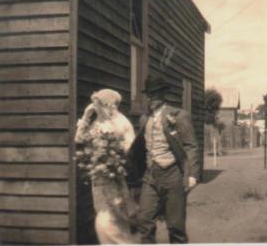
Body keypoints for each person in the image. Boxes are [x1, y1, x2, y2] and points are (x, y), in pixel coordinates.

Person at [128, 75, 200, 243]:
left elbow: (191, 145)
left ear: (163, 94)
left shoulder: (178, 115)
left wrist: (193, 175)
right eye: (149, 94)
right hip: (150, 176)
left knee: (176, 226)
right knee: (144, 221)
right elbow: (139, 147)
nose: (152, 98)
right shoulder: (144, 118)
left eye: (156, 93)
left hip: (172, 175)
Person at [75, 89, 139, 244]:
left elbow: (130, 151)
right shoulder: (97, 123)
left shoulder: (122, 123)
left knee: (110, 220)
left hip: (114, 177)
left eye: (98, 104)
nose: (95, 107)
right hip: (98, 178)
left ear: (109, 105)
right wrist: (86, 115)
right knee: (104, 216)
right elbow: (78, 139)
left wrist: (113, 160)